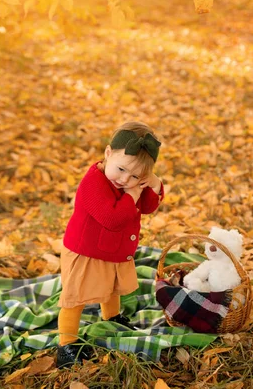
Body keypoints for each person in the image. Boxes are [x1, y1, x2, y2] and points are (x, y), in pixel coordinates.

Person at [56, 121, 164, 368]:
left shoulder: (129, 182)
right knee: (75, 297)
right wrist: (132, 194)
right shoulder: (93, 182)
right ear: (107, 154)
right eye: (122, 169)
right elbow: (111, 219)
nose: (126, 179)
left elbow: (146, 207)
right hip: (85, 251)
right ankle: (66, 344)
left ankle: (112, 318)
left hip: (111, 249)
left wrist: (154, 185)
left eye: (136, 176)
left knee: (111, 287)